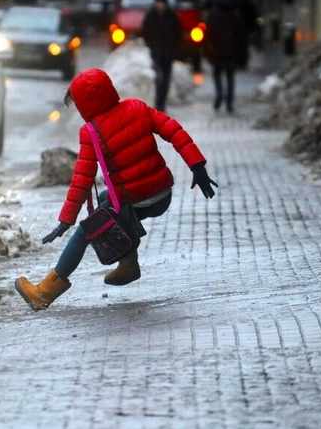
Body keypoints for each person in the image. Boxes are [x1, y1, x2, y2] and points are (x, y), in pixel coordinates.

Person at [15, 68, 218, 311]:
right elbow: (174, 131)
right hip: (162, 194)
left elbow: (82, 179)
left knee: (87, 229)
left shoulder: (91, 132)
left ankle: (46, 291)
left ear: (86, 104)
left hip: (135, 199)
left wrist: (66, 221)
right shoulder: (137, 107)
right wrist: (198, 167)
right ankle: (128, 264)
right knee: (106, 201)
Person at [204, 0, 246, 113]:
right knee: (230, 78)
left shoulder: (212, 17)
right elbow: (241, 38)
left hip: (216, 54)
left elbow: (207, 37)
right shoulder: (235, 18)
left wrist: (208, 53)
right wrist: (241, 55)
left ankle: (219, 96)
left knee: (218, 77)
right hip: (231, 54)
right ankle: (229, 102)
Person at [141, 0, 182, 112]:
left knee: (166, 79)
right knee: (159, 78)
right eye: (158, 2)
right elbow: (145, 31)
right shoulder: (151, 15)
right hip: (156, 52)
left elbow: (178, 33)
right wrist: (150, 45)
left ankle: (162, 103)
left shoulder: (172, 15)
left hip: (169, 52)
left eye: (161, 3)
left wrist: (175, 48)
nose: (159, 5)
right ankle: (158, 103)